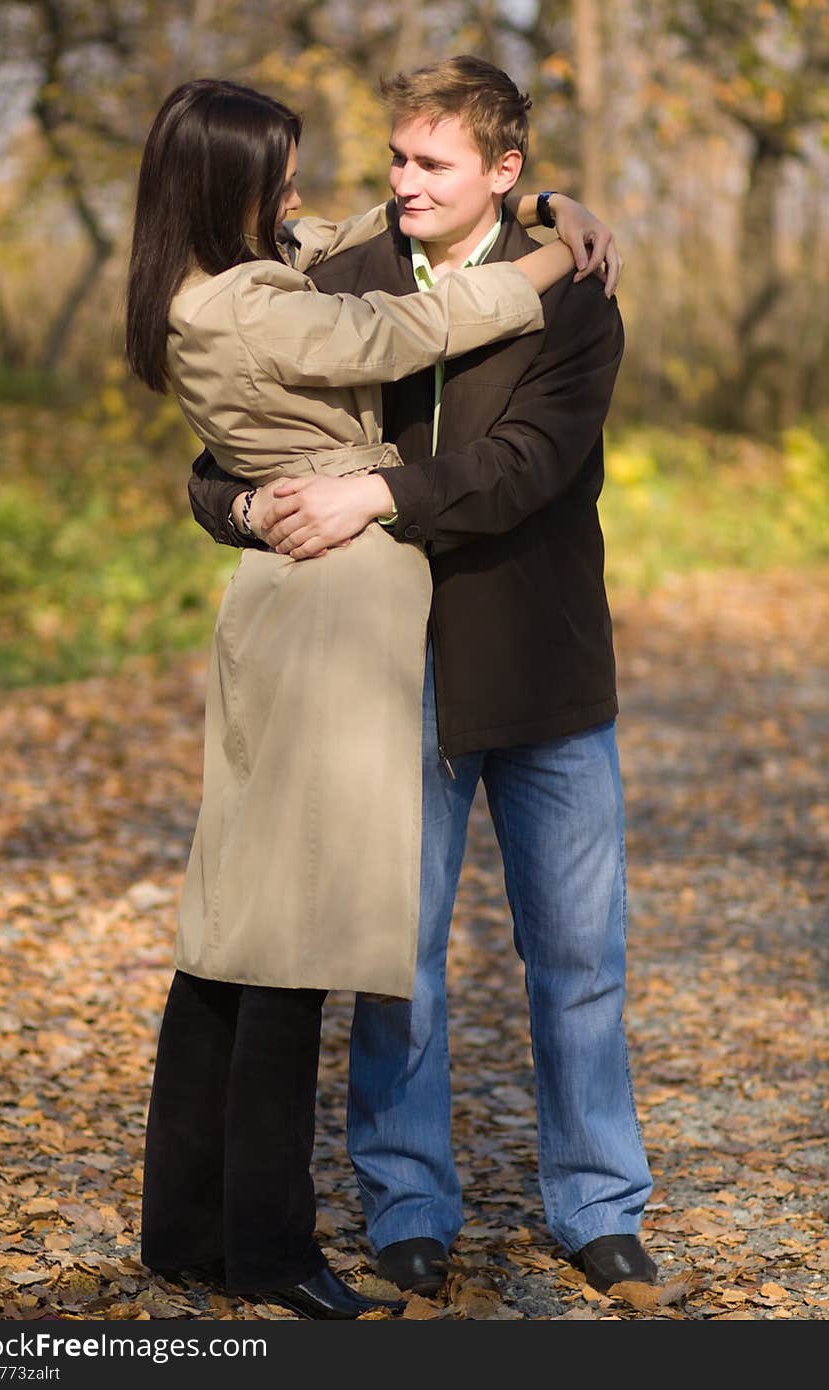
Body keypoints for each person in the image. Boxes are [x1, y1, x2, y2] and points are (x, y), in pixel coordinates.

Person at [125, 76, 601, 1319]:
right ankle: (275, 1245)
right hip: (328, 634)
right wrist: (553, 256)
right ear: (231, 187)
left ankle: (183, 1223)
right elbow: (411, 331)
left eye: (419, 163)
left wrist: (550, 204)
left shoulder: (248, 268)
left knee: (239, 931)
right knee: (298, 941)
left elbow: (350, 247)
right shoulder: (262, 303)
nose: (316, 190)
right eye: (280, 173)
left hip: (350, 628)